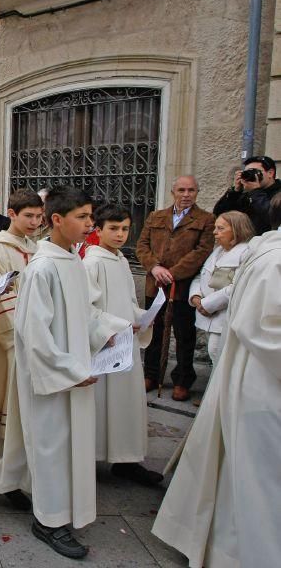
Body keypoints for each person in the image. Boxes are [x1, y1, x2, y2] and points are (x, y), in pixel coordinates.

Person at [152, 193, 281, 568]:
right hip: (262, 381)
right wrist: (198, 298)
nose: (218, 231)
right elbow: (264, 329)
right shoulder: (273, 261)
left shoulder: (261, 255)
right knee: (254, 475)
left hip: (254, 375)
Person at [12, 187, 128, 559]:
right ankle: (47, 520)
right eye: (82, 217)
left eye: (90, 216)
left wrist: (108, 331)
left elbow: (86, 312)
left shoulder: (74, 261)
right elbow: (35, 333)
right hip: (54, 376)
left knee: (71, 444)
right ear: (57, 220)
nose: (89, 224)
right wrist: (69, 370)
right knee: (51, 446)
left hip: (78, 371)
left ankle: (66, 509)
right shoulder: (42, 268)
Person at [83, 204, 162, 485]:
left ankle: (126, 459)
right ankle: (90, 458)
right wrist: (113, 327)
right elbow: (86, 308)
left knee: (126, 402)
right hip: (106, 343)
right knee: (104, 402)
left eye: (125, 229)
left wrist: (142, 317)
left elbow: (127, 302)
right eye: (113, 228)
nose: (120, 234)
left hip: (125, 341)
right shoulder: (91, 263)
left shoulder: (121, 261)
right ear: (99, 229)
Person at [0, 189, 43, 493]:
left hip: (33, 336)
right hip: (7, 338)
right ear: (12, 214)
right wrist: (20, 329)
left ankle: (9, 456)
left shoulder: (38, 248)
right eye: (29, 216)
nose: (34, 222)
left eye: (39, 217)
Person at [136, 175, 215, 401]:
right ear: (173, 192)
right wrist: (154, 267)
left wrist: (174, 273)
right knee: (155, 331)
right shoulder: (156, 216)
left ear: (197, 193)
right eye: (181, 190)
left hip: (182, 287)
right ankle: (151, 374)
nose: (186, 195)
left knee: (184, 335)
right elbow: (142, 246)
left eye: (191, 190)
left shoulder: (206, 219)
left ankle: (182, 379)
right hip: (156, 285)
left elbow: (202, 251)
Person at [188, 210, 255, 367]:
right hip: (209, 314)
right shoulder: (217, 251)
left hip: (226, 316)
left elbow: (238, 286)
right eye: (215, 227)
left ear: (236, 230)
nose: (214, 232)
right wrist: (196, 297)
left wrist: (208, 304)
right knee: (215, 357)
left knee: (218, 356)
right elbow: (200, 276)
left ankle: (220, 391)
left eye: (221, 228)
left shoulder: (246, 253)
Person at [212, 155, 281, 234]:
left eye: (255, 171)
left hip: (269, 242)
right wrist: (235, 191)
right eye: (247, 172)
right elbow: (220, 214)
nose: (250, 175)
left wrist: (256, 192)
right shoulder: (247, 194)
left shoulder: (278, 194)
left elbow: (273, 218)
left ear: (270, 173)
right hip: (246, 242)